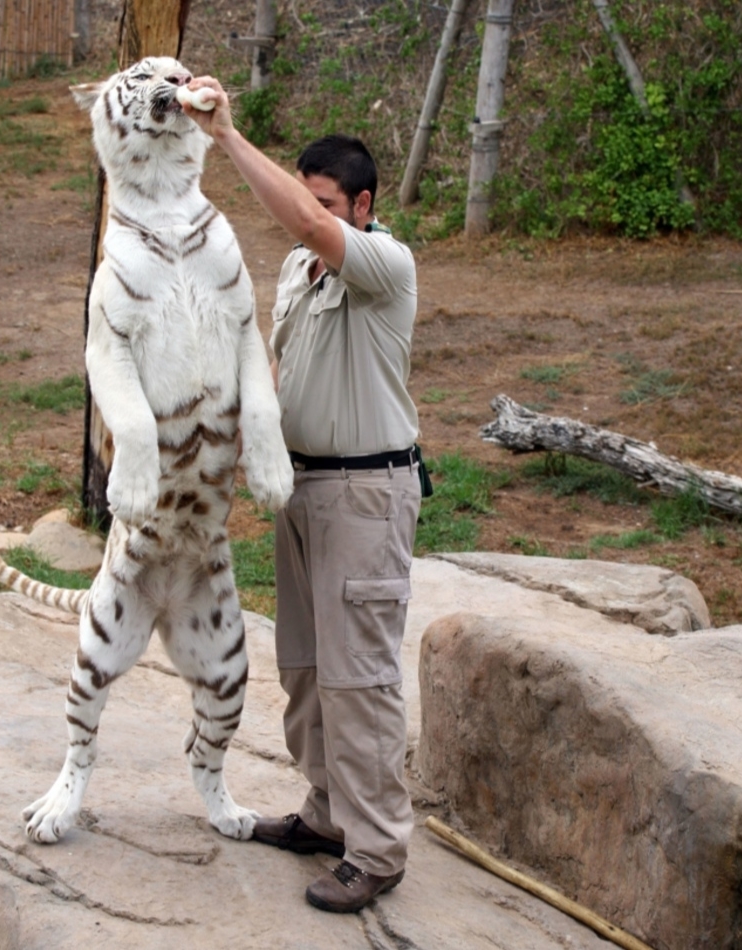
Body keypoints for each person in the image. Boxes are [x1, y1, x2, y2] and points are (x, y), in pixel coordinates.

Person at [183, 78, 423, 914]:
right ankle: (328, 816)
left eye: (324, 204)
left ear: (361, 205)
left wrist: (227, 139)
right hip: (303, 490)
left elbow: (306, 224)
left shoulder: (385, 263)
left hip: (365, 494)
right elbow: (280, 367)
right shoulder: (297, 270)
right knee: (309, 671)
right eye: (307, 195)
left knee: (359, 680)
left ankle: (379, 849)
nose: (308, 216)